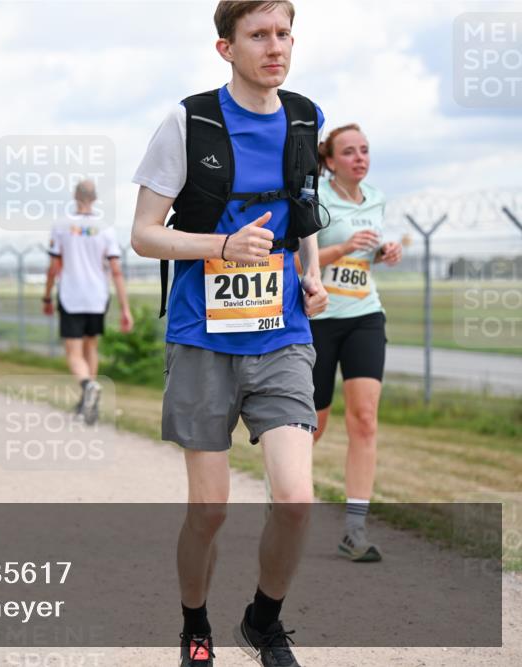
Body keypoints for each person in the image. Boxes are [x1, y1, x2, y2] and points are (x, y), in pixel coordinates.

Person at [130, 2, 328, 665]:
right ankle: (195, 624)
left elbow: (303, 212)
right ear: (226, 48)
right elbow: (144, 233)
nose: (276, 47)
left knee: (296, 499)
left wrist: (313, 272)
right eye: (260, 36)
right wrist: (220, 243)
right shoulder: (188, 122)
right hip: (203, 338)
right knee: (209, 511)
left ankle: (263, 621)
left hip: (281, 333)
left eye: (284, 34)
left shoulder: (305, 116)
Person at [311, 124, 402, 563]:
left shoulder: (377, 199)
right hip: (318, 320)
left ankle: (354, 528)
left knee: (364, 420)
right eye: (349, 152)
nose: (359, 158)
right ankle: (283, 501)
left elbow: (366, 260)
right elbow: (297, 260)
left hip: (365, 314)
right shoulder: (316, 200)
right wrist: (343, 246)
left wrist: (385, 252)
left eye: (365, 150)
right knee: (312, 425)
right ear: (330, 161)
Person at [42, 180, 133, 424]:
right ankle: (88, 402)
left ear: (75, 196)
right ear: (94, 198)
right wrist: (125, 308)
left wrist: (46, 296)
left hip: (72, 295)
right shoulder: (105, 228)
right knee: (90, 347)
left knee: (73, 351)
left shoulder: (62, 226)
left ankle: (87, 386)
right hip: (97, 296)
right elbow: (116, 270)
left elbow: (54, 267)